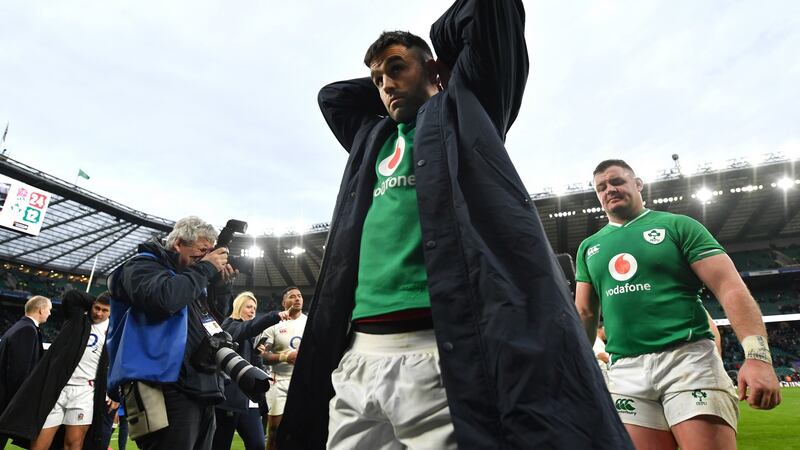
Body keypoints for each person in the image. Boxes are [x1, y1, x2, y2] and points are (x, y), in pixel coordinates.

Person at [277, 1, 632, 448]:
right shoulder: (371, 139)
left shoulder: (469, 108)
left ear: (433, 68)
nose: (385, 84)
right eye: (376, 79)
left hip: (441, 353)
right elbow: (332, 97)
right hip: (358, 354)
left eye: (395, 68)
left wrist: (440, 67)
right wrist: (397, 82)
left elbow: (490, 12)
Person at [575, 159, 782, 450]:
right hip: (625, 371)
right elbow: (584, 313)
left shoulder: (677, 226)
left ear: (637, 184)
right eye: (601, 187)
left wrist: (758, 356)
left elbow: (729, 287)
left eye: (617, 181)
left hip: (688, 359)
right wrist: (574, 373)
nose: (610, 189)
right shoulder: (588, 247)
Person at [106, 216, 236, 450]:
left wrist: (221, 287)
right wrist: (206, 269)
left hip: (200, 383)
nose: (206, 257)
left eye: (209, 252)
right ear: (178, 244)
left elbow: (212, 322)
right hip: (163, 386)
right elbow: (164, 300)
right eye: (201, 251)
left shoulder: (191, 278)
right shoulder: (141, 265)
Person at [0, 290, 111, 450]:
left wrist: (113, 392)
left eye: (104, 310)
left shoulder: (112, 332)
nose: (99, 313)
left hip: (85, 391)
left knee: (73, 443)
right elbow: (71, 296)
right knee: (39, 442)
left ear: (111, 311)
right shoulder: (77, 319)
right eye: (97, 308)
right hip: (57, 389)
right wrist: (95, 301)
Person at [212, 292, 288, 450]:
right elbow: (246, 329)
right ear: (239, 307)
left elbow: (254, 365)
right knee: (220, 446)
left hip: (250, 401)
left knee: (258, 445)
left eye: (254, 307)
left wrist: (257, 355)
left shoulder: (250, 334)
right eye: (248, 307)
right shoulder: (229, 326)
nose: (252, 310)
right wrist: (275, 316)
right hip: (229, 401)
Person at [256, 287, 306, 450]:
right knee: (274, 432)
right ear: (284, 302)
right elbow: (262, 354)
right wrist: (285, 357)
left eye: (299, 296)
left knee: (302, 430)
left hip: (303, 382)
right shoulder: (273, 324)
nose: (297, 299)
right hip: (279, 382)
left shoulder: (310, 323)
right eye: (292, 296)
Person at [0, 295, 51, 448]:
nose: (50, 314)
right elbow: (19, 371)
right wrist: (20, 404)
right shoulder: (27, 330)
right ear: (41, 310)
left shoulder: (19, 327)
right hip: (7, 403)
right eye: (49, 310)